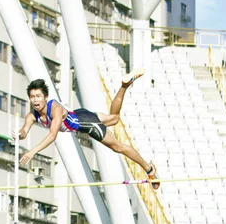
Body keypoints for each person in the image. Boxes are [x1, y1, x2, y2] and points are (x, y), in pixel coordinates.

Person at [15, 69, 159, 190]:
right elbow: (24, 131)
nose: (35, 100)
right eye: (32, 97)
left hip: (86, 123)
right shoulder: (31, 116)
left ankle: (149, 169)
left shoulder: (55, 109)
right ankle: (125, 86)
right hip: (79, 114)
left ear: (45, 97)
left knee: (117, 147)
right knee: (114, 118)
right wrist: (19, 135)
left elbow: (53, 135)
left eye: (38, 96)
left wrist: (33, 151)